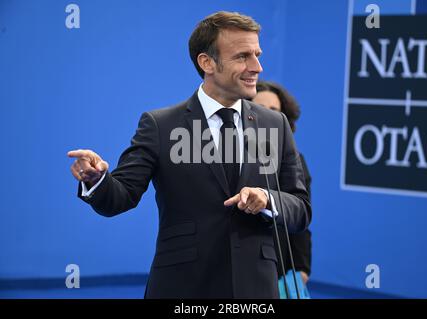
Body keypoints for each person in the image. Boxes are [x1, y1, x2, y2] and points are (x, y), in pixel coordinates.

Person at [67, 11, 311, 299]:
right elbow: (120, 196)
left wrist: (268, 199)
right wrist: (97, 179)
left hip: (256, 289)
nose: (256, 66)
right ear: (206, 62)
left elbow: (301, 208)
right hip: (183, 287)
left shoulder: (275, 124)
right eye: (242, 56)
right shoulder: (160, 125)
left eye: (257, 54)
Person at [253, 81, 312, 297]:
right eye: (259, 108)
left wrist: (302, 268)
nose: (267, 116)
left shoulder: (295, 160)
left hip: (277, 265)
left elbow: (302, 217)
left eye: (274, 111)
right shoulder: (227, 154)